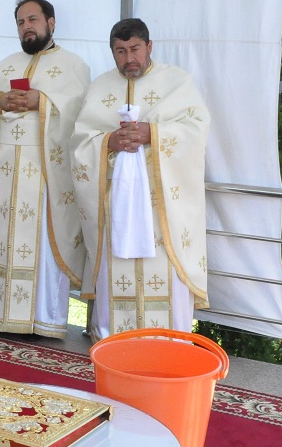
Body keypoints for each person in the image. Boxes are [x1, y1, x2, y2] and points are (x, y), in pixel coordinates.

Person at [71, 18, 210, 337]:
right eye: (120, 51)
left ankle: (168, 342)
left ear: (149, 46)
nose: (128, 58)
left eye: (135, 49)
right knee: (116, 273)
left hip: (161, 208)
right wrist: (110, 142)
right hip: (116, 203)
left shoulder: (177, 83)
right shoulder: (101, 87)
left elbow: (196, 130)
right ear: (112, 53)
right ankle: (113, 340)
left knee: (164, 274)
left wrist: (153, 133)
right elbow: (79, 141)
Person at [0, 0, 90, 338]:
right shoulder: (5, 65)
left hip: (46, 171)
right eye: (21, 22)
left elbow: (83, 115)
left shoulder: (73, 66)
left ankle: (44, 319)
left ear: (51, 22)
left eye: (33, 19)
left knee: (44, 245)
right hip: (3, 172)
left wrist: (44, 102)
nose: (26, 27)